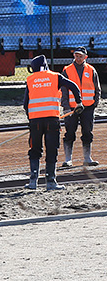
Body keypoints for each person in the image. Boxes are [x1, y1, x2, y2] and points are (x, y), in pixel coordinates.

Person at [23, 55, 82, 191]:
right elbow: (73, 86)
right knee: (52, 149)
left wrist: (30, 119)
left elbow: (25, 103)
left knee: (35, 150)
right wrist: (79, 102)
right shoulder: (56, 77)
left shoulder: (30, 80)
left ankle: (33, 181)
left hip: (35, 121)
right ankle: (51, 181)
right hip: (52, 120)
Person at [60, 46, 101, 167]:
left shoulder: (91, 70)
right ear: (74, 56)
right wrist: (66, 106)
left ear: (85, 57)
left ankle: (87, 158)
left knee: (87, 132)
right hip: (72, 108)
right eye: (76, 55)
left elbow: (97, 88)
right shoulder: (67, 70)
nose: (78, 58)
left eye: (81, 56)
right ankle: (68, 159)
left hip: (88, 107)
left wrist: (95, 103)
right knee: (70, 132)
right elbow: (64, 90)